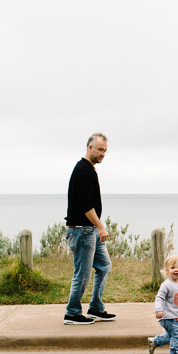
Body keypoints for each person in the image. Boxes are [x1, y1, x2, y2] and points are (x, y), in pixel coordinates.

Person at [63, 133, 115, 325]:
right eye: (100, 150)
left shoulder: (89, 169)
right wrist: (100, 227)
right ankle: (72, 313)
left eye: (105, 151)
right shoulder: (83, 170)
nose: (103, 154)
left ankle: (95, 308)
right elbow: (86, 205)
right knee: (82, 273)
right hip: (82, 230)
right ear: (90, 148)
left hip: (89, 230)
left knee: (104, 265)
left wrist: (97, 228)